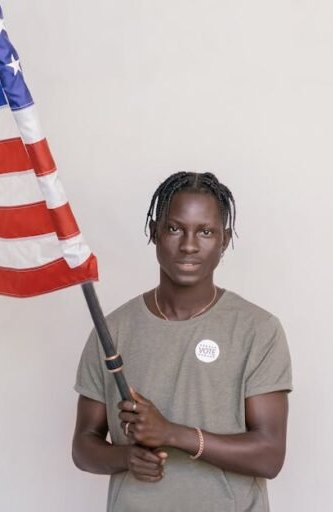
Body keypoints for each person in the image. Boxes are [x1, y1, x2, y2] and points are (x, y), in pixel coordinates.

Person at [73, 172, 292, 511]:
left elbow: (269, 456)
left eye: (205, 231)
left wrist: (172, 434)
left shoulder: (258, 330)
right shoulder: (113, 330)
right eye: (175, 228)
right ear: (154, 233)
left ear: (225, 239)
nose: (189, 244)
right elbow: (83, 447)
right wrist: (125, 457)